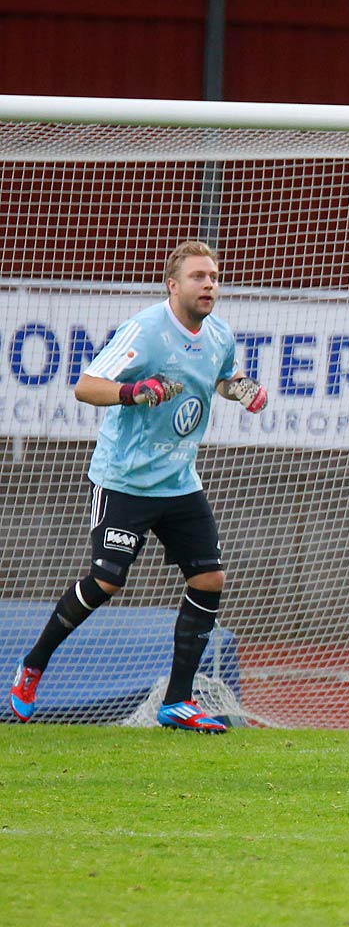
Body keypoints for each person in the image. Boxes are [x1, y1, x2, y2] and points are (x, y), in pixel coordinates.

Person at [8, 241, 270, 732]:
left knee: (209, 579)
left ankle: (176, 701)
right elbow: (86, 386)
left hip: (179, 481)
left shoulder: (219, 335)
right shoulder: (146, 332)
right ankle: (32, 667)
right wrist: (134, 391)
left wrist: (242, 389)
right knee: (106, 581)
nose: (209, 283)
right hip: (124, 481)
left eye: (213, 275)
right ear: (173, 286)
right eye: (198, 276)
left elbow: (220, 377)